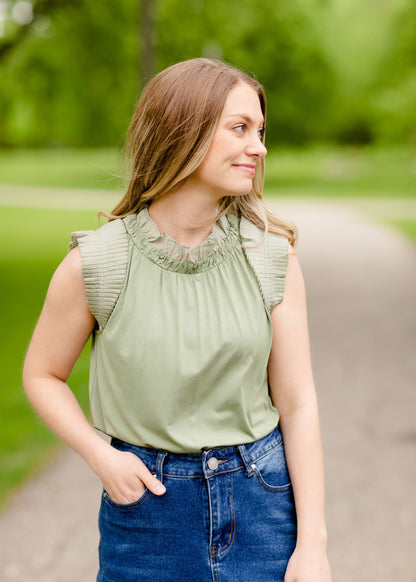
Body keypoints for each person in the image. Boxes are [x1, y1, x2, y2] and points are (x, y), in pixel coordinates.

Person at [23, 58, 332, 582]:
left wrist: (313, 544)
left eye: (260, 130)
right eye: (239, 128)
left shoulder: (270, 254)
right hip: (148, 517)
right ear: (182, 133)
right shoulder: (98, 262)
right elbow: (42, 375)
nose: (258, 147)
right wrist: (102, 457)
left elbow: (298, 403)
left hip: (262, 508)